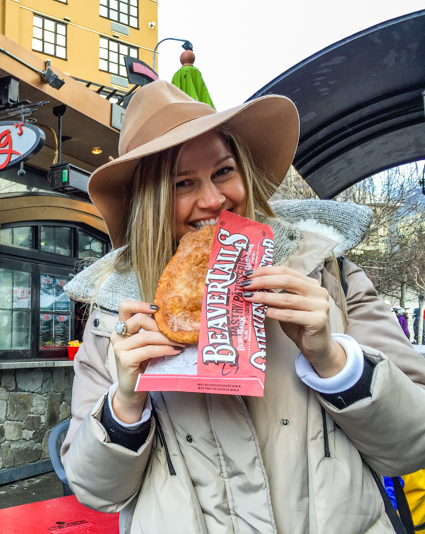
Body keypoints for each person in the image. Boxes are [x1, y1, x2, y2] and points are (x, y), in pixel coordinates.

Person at [60, 81, 425, 534]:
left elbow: (414, 446)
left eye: (223, 171)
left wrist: (335, 360)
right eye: (183, 183)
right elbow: (97, 491)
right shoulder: (114, 320)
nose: (213, 200)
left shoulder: (328, 275)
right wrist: (126, 404)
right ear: (150, 201)